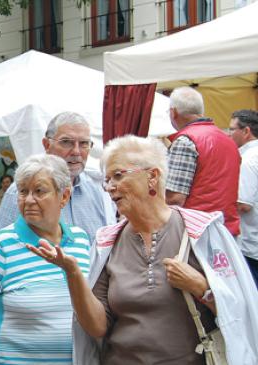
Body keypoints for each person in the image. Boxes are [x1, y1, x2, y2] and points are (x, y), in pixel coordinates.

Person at [28, 135, 258, 364]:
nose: (109, 187)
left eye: (118, 176)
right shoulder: (108, 242)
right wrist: (73, 273)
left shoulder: (202, 232)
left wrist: (202, 289)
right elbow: (97, 327)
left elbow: (243, 314)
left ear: (152, 177)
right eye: (107, 180)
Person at [0, 154, 91, 364]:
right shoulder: (1, 244)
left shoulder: (80, 240)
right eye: (23, 191)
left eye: (39, 191)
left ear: (64, 196)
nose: (29, 199)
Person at [0, 112, 116, 243]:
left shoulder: (98, 189)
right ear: (47, 145)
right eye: (66, 142)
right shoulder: (21, 191)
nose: (76, 151)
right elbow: (0, 245)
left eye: (84, 143)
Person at [165, 86, 241, 236]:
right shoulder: (228, 140)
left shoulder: (185, 140)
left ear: (173, 112)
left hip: (197, 230)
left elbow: (175, 198)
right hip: (227, 228)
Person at [228, 109, 258, 287]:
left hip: (251, 242)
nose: (229, 133)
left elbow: (244, 204)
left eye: (232, 129)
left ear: (246, 131)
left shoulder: (248, 159)